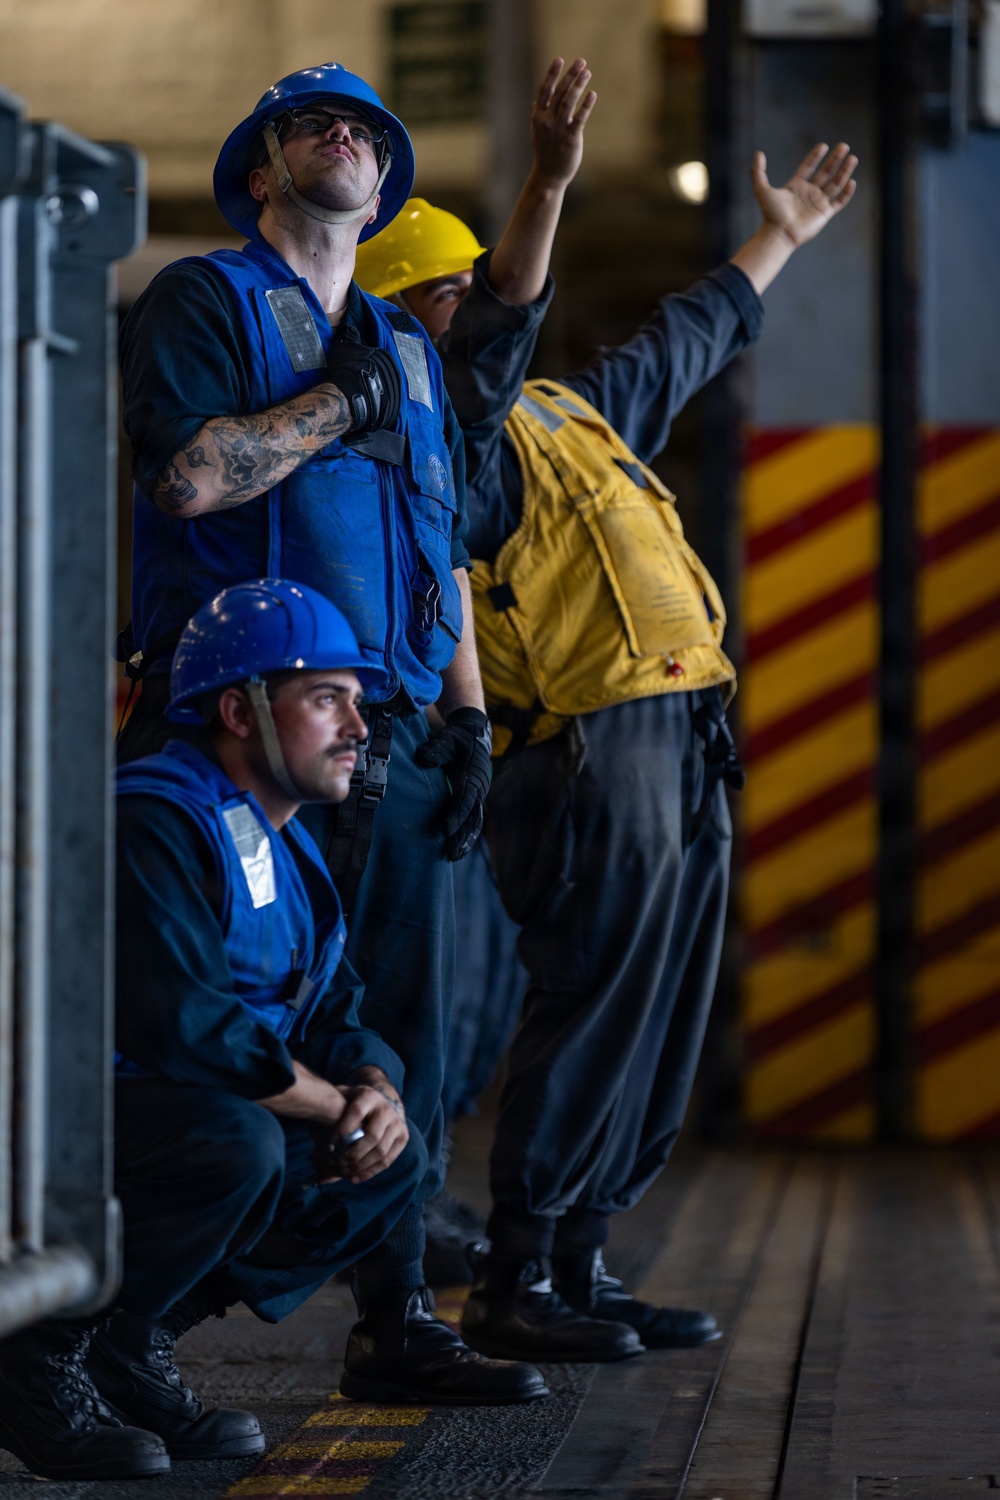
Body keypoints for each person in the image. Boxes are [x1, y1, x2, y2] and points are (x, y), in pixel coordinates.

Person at [355, 61, 858, 1361]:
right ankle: (521, 1274)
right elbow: (500, 331)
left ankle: (582, 1263)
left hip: (682, 735)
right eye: (449, 294)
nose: (482, 308)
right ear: (413, 322)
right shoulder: (435, 451)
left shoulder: (571, 413)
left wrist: (781, 238)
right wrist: (550, 182)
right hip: (584, 751)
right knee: (597, 998)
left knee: (664, 1000)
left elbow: (688, 335)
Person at [116, 64, 539, 1403]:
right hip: (238, 734)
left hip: (390, 735)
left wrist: (468, 717)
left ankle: (396, 1317)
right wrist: (329, 408)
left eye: (363, 126)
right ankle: (102, 1330)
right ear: (261, 172)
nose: (342, 132)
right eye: (311, 123)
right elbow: (184, 478)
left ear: (388, 185)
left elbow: (441, 551)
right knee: (207, 1025)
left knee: (394, 1037)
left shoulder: (413, 352)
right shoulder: (208, 299)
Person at [0, 580, 489, 1483]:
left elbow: (334, 1007)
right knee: (237, 1145)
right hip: (57, 1126)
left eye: (357, 698)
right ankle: (34, 1357)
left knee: (396, 1159)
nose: (358, 725)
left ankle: (128, 1341)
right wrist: (328, 1102)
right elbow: (182, 1024)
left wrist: (374, 1094)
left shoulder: (282, 837)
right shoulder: (155, 820)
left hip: (164, 1121)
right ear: (238, 709)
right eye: (324, 698)